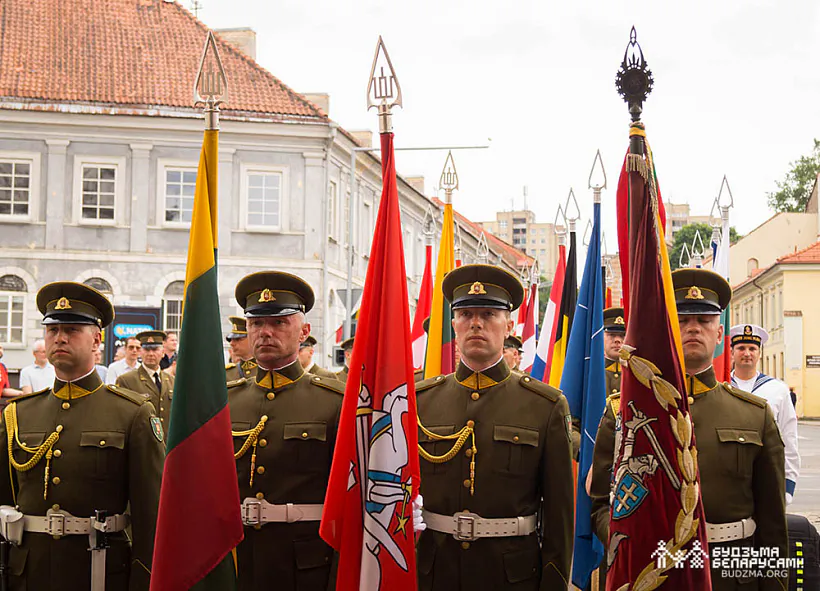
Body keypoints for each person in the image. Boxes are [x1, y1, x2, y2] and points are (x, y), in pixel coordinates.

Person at [590, 268, 787, 591]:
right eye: (682, 320)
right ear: (666, 329)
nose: (693, 328)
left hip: (730, 574)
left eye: (704, 321)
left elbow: (773, 522)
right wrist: (633, 537)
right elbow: (599, 503)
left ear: (719, 332)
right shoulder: (624, 411)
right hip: (651, 568)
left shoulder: (754, 414)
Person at [415, 264, 574, 590]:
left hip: (511, 576)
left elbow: (559, 518)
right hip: (434, 573)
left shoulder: (544, 405)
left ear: (509, 325)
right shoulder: (420, 401)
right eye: (466, 314)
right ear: (453, 324)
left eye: (488, 314)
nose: (476, 323)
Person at [0, 281, 164, 590]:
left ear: (96, 340)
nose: (60, 338)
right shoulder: (18, 414)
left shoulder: (132, 413)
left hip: (98, 574)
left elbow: (150, 516)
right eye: (53, 330)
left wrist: (144, 580)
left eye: (73, 329)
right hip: (27, 574)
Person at [227, 271, 345, 591]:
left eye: (279, 323)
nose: (265, 332)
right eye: (256, 323)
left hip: (305, 566)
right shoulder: (225, 402)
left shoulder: (335, 402)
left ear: (304, 331)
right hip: (238, 561)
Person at [730, 324, 800, 504]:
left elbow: (788, 438)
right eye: (741, 348)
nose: (747, 353)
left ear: (759, 354)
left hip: (767, 475)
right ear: (731, 352)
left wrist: (788, 486)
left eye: (753, 348)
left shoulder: (777, 390)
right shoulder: (721, 386)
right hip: (728, 478)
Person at [117, 330, 175, 429]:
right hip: (141, 440)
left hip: (167, 441)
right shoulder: (126, 380)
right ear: (140, 352)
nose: (151, 354)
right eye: (147, 350)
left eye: (155, 349)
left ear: (163, 352)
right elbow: (120, 417)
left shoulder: (171, 381)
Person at [225, 315, 258, 381]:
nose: (231, 343)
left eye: (238, 339)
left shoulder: (267, 370)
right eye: (230, 339)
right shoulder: (228, 373)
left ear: (252, 338)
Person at [603, 307, 625, 395]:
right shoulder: (591, 373)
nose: (617, 340)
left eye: (623, 335)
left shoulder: (637, 375)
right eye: (611, 335)